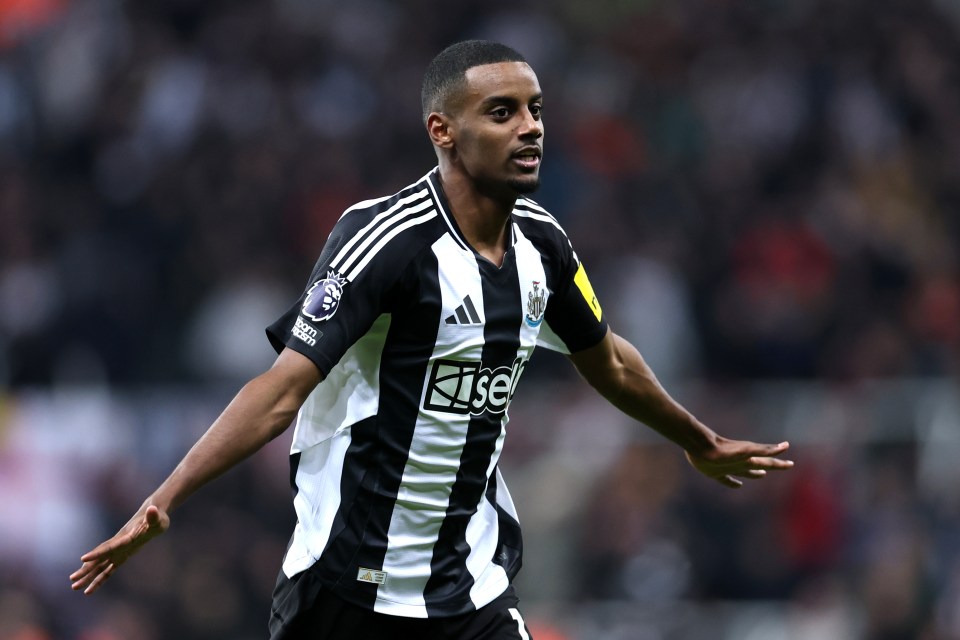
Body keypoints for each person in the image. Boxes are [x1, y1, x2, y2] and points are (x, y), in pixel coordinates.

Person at [69, 40, 794, 639]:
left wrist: (696, 438)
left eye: (536, 111)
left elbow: (606, 359)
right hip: (347, 587)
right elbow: (280, 390)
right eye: (503, 112)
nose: (531, 128)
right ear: (443, 131)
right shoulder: (385, 240)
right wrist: (164, 498)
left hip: (468, 588)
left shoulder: (543, 244)